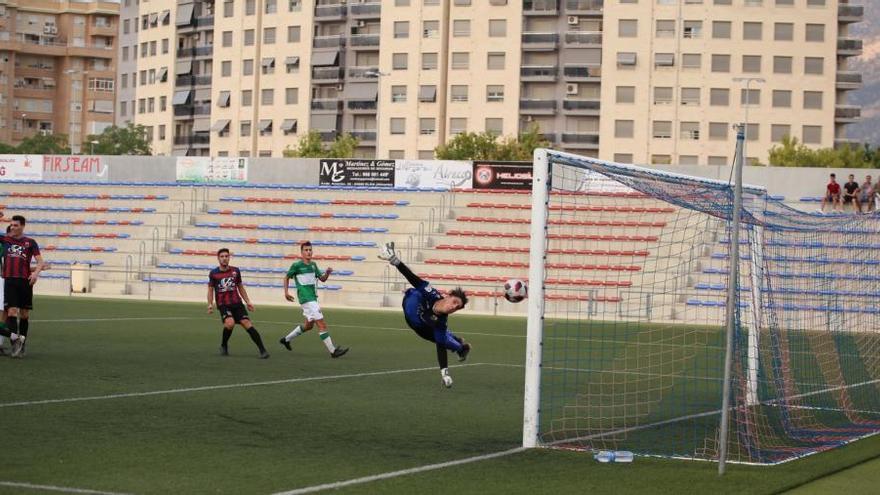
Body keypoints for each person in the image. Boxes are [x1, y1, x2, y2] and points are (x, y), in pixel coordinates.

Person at [378, 241, 471, 388]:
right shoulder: (432, 293)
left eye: (457, 307)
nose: (453, 307)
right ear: (447, 296)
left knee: (442, 339)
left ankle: (462, 348)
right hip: (411, 303)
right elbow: (413, 278)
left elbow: (440, 348)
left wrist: (445, 373)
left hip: (420, 326)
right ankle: (459, 342)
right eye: (454, 302)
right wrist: (395, 261)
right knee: (417, 291)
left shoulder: (441, 322)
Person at [279, 241, 349, 358]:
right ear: (301, 253)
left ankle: (286, 340)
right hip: (306, 299)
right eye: (306, 250)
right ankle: (333, 351)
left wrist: (327, 273)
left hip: (312, 298)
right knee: (321, 323)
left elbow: (322, 279)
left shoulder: (313, 265)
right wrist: (286, 292)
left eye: (310, 250)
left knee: (309, 325)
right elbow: (286, 277)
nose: (308, 252)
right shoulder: (297, 265)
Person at [207, 248, 269, 358]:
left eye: (226, 256)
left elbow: (240, 287)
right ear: (218, 258)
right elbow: (210, 289)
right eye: (222, 256)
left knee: (247, 324)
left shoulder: (235, 271)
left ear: (229, 258)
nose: (224, 258)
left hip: (237, 303)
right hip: (223, 304)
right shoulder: (213, 273)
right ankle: (224, 345)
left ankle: (263, 350)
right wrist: (210, 304)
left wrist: (248, 301)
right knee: (230, 323)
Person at [0, 214, 45, 358]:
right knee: (12, 312)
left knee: (24, 314)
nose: (13, 227)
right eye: (11, 225)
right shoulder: (5, 239)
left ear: (23, 226)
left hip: (25, 282)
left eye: (16, 225)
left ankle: (23, 344)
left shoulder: (30, 242)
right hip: (10, 281)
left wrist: (36, 274)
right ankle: (15, 344)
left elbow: (40, 262)